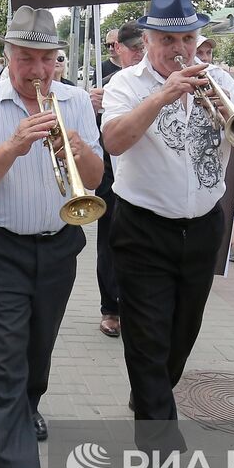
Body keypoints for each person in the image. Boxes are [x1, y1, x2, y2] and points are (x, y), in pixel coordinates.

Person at [102, 0, 234, 468]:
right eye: (168, 39)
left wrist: (225, 113)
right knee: (147, 340)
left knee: (180, 336)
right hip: (143, 227)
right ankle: (159, 446)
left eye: (188, 38)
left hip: (203, 226)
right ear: (147, 40)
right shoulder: (125, 84)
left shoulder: (219, 80)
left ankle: (150, 398)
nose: (179, 49)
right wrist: (164, 95)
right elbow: (114, 141)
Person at [0, 6, 104, 468]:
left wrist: (79, 147)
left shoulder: (76, 101)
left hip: (59, 244)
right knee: (7, 358)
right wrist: (15, 145)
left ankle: (29, 406)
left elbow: (97, 177)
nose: (39, 70)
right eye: (27, 58)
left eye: (49, 58)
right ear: (8, 56)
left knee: (37, 351)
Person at [90, 20, 144, 338]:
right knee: (109, 243)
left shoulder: (159, 82)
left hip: (145, 179)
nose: (141, 54)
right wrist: (90, 105)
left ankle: (136, 307)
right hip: (111, 177)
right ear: (118, 49)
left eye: (145, 47)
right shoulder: (107, 85)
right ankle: (110, 308)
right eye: (135, 48)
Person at [197, 36, 234, 264]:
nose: (204, 58)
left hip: (212, 181)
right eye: (199, 52)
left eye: (207, 53)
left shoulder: (221, 78)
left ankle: (233, 244)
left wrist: (227, 109)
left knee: (228, 200)